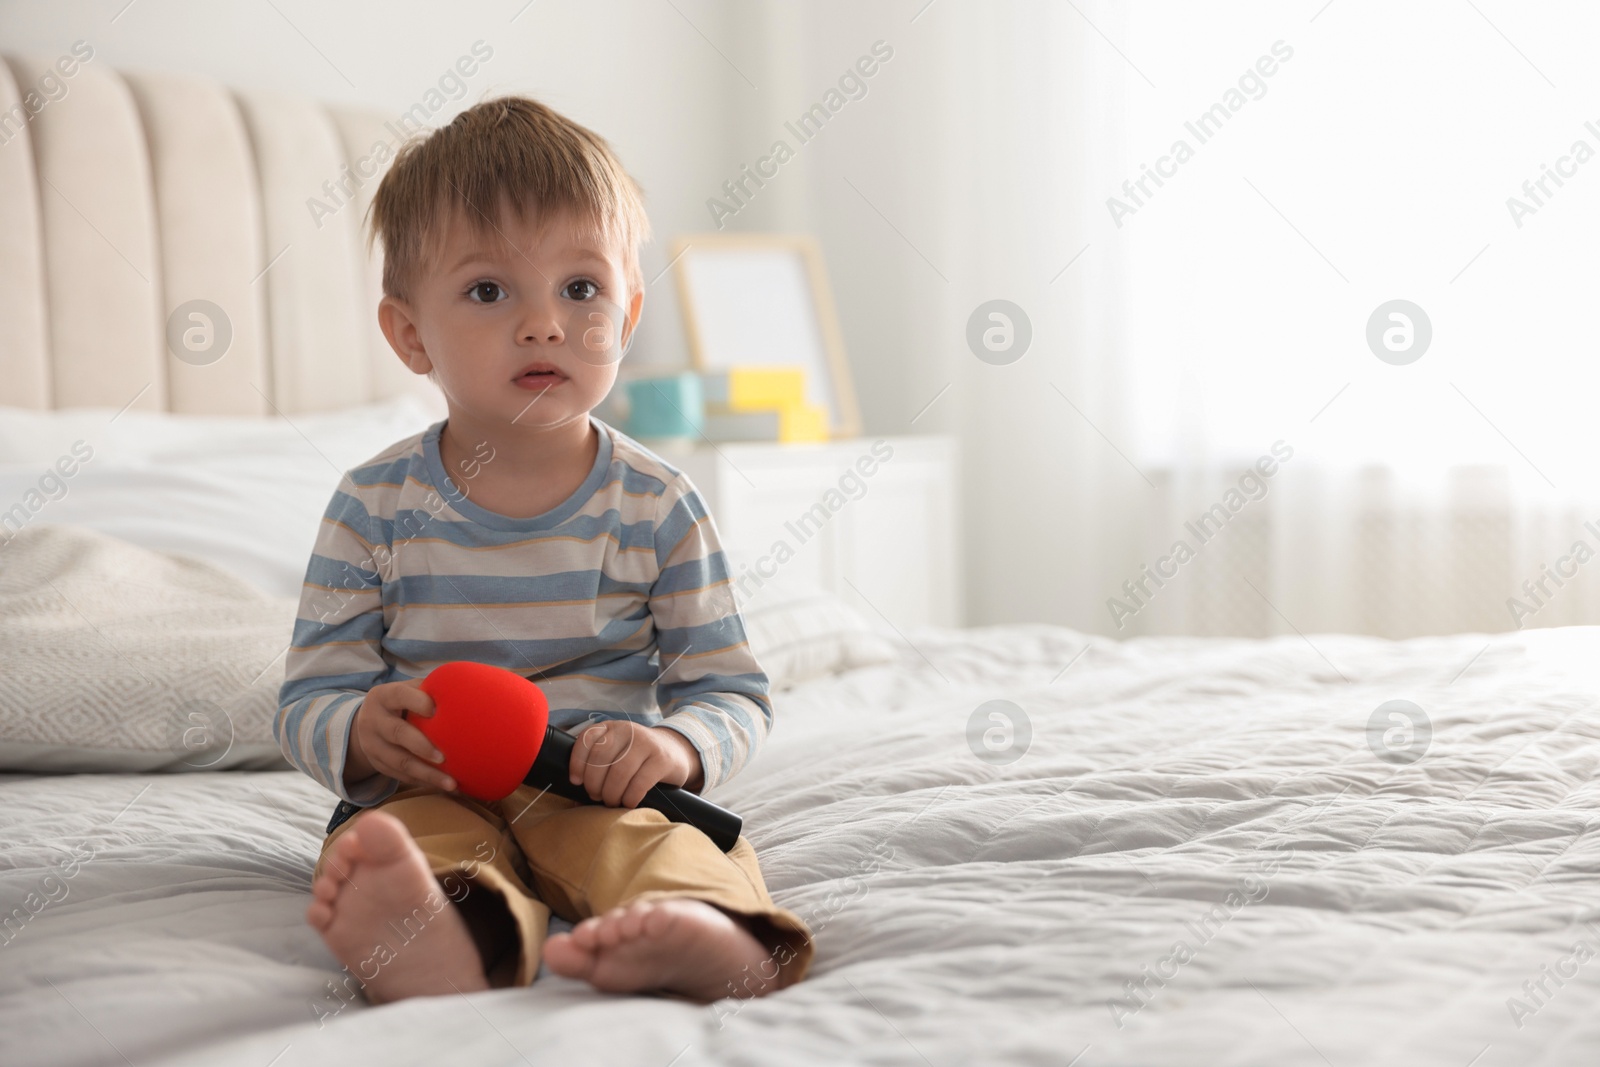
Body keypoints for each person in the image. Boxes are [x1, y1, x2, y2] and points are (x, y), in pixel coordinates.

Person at [274, 95, 811, 1005]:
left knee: (661, 841)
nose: (544, 323)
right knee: (421, 851)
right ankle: (445, 943)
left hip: (597, 787)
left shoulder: (657, 503)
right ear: (410, 334)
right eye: (489, 291)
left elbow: (729, 689)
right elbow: (310, 693)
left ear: (628, 312)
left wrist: (670, 748)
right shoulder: (372, 507)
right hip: (429, 782)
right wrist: (363, 732)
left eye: (581, 287)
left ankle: (711, 936)